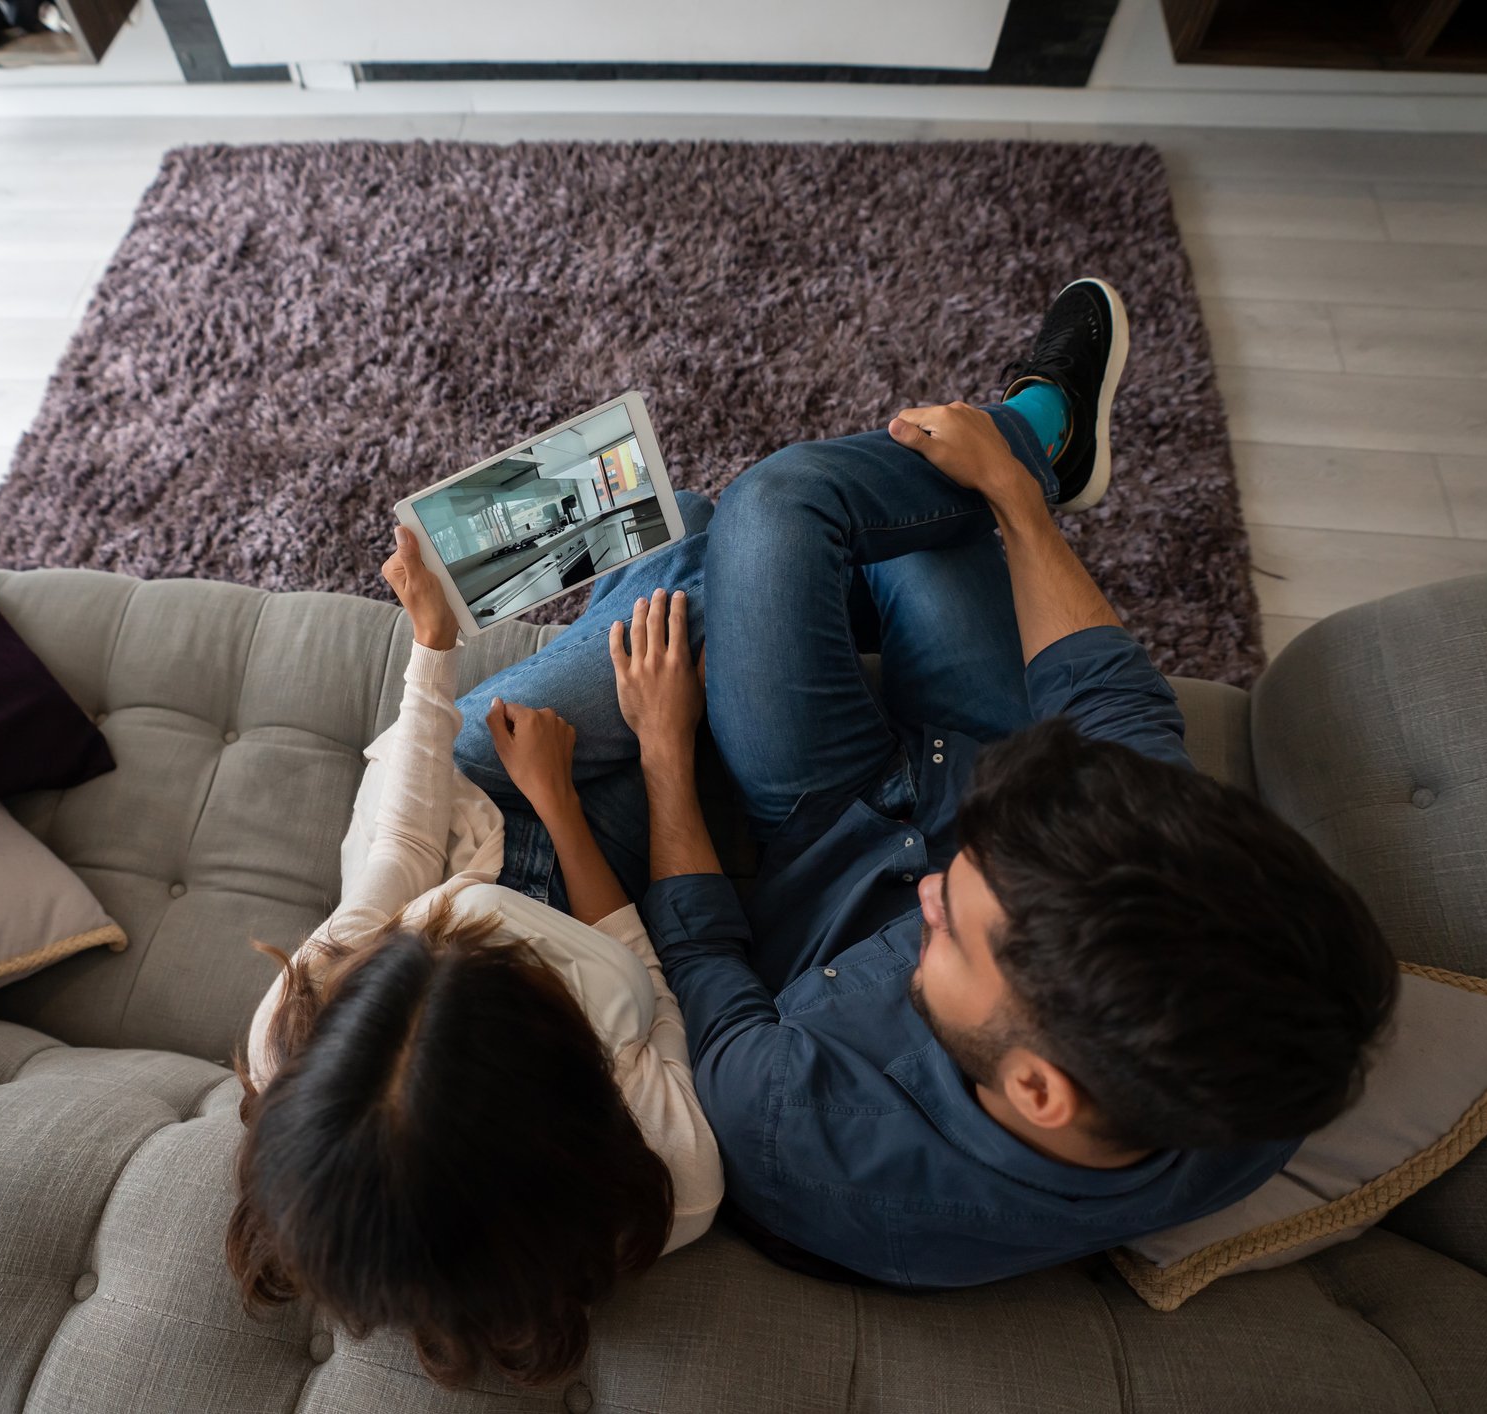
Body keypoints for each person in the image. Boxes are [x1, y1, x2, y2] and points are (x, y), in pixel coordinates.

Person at [451, 277, 1400, 1287]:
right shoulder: (1248, 1012)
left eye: (946, 920)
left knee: (496, 721)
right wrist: (1020, 503)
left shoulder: (804, 1131)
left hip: (815, 828)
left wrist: (662, 747)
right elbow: (1106, 700)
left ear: (1036, 1089)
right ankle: (1038, 441)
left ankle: (696, 551)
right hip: (974, 751)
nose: (931, 884)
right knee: (905, 511)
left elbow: (699, 956)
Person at [226, 526, 722, 1389]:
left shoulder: (296, 1029)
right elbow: (652, 980)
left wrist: (432, 645)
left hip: (470, 810)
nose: (446, 928)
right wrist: (585, 790)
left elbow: (404, 855)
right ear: (568, 1062)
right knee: (699, 576)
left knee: (676, 557)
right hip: (592, 881)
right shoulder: (672, 1176)